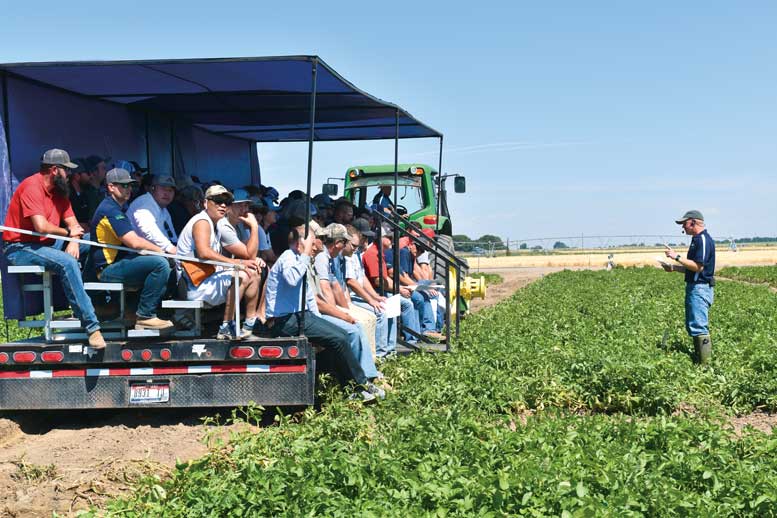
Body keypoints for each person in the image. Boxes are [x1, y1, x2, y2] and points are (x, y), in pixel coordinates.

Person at [263, 225, 383, 401]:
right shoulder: (289, 257)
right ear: (300, 244)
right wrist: (304, 255)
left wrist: (322, 325)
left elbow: (309, 298)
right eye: (311, 243)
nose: (315, 247)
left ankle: (350, 387)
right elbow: (291, 279)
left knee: (339, 337)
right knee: (339, 338)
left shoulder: (300, 259)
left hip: (302, 316)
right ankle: (360, 384)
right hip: (285, 320)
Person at [3, 149, 105, 348]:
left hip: (45, 243)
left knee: (92, 242)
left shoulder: (61, 192)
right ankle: (92, 326)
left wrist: (75, 240)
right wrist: (69, 235)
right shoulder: (31, 186)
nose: (71, 175)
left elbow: (74, 226)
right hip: (19, 247)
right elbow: (41, 227)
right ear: (55, 170)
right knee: (67, 261)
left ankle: (100, 305)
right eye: (67, 170)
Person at [91, 168, 174, 331]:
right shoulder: (110, 210)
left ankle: (133, 312)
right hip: (108, 269)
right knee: (160, 264)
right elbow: (134, 242)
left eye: (130, 185)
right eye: (123, 185)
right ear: (111, 187)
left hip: (120, 263)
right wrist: (162, 251)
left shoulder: (120, 208)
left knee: (168, 270)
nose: (128, 189)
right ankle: (145, 316)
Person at [176, 185, 262, 340]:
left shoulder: (217, 224)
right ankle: (226, 326)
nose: (223, 205)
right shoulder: (202, 221)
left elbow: (249, 255)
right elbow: (204, 252)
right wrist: (237, 264)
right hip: (192, 283)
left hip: (206, 278)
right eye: (218, 201)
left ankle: (249, 325)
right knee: (241, 275)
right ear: (205, 203)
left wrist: (253, 227)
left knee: (253, 272)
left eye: (227, 202)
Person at [662, 210, 716, 364]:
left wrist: (677, 257)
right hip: (695, 287)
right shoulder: (696, 240)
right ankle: (700, 361)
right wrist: (673, 267)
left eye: (684, 224)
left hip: (700, 288)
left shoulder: (703, 240)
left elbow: (699, 267)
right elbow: (691, 267)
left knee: (699, 326)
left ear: (693, 222)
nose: (683, 228)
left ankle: (705, 366)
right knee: (694, 325)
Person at [217, 188, 264, 336]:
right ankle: (226, 325)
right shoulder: (223, 225)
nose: (244, 210)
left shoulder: (238, 225)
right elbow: (248, 254)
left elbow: (249, 254)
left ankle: (250, 321)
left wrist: (255, 259)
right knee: (245, 274)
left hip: (230, 266)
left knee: (256, 270)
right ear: (229, 208)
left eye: (246, 206)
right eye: (240, 205)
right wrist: (254, 227)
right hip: (214, 269)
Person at [127, 175, 178, 254]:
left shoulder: (163, 208)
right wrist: (170, 248)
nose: (167, 193)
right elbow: (148, 230)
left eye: (170, 190)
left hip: (154, 252)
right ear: (152, 189)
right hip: (134, 254)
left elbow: (172, 237)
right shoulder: (145, 203)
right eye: (163, 189)